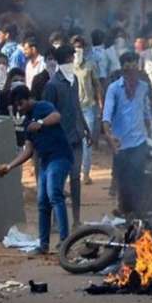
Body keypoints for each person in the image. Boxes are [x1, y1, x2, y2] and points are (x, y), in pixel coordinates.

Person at [0, 85, 73, 255]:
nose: (19, 108)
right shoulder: (26, 121)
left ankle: (65, 240)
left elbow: (56, 116)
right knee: (42, 202)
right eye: (16, 105)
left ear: (28, 99)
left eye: (20, 104)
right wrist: (10, 166)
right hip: (45, 161)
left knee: (54, 194)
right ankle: (43, 244)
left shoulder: (42, 106)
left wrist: (40, 123)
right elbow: (28, 150)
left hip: (60, 156)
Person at [43, 45, 91, 228]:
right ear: (64, 60)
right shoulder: (52, 85)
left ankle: (76, 219)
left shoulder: (74, 80)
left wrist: (85, 128)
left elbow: (77, 106)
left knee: (75, 178)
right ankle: (57, 221)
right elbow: (46, 113)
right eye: (71, 58)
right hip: (60, 140)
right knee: (59, 180)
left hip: (76, 136)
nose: (73, 61)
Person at [102, 52, 152, 216]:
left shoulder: (143, 87)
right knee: (123, 181)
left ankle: (138, 213)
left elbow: (145, 111)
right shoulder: (114, 89)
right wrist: (108, 135)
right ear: (123, 70)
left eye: (134, 67)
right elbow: (107, 115)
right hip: (120, 144)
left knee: (138, 178)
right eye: (128, 68)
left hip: (139, 141)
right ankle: (125, 212)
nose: (132, 72)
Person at [71, 35, 103, 185]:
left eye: (80, 47)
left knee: (87, 142)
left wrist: (100, 103)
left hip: (88, 107)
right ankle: (74, 171)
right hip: (72, 109)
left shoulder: (90, 65)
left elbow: (96, 84)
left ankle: (86, 173)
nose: (78, 50)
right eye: (75, 48)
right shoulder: (67, 66)